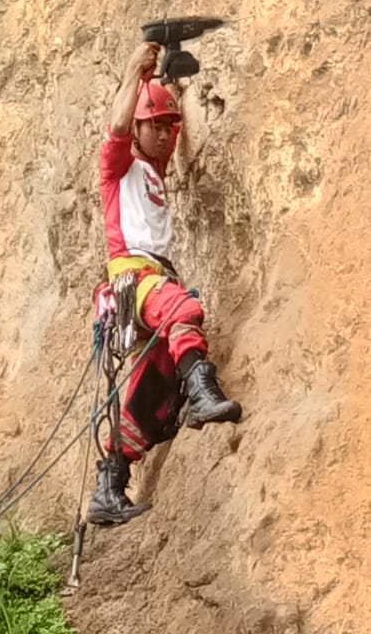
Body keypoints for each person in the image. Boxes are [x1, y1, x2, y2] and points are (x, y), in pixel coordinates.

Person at [87, 41, 242, 526]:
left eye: (169, 125)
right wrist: (135, 69)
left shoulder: (153, 170)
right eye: (154, 125)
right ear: (137, 126)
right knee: (184, 311)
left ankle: (110, 488)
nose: (164, 134)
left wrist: (172, 81)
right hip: (132, 279)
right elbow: (116, 127)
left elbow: (169, 131)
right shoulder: (119, 167)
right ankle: (203, 394)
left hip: (151, 279)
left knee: (151, 389)